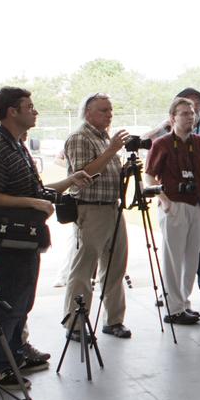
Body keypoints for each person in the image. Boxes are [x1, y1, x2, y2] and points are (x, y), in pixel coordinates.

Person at [0, 87, 93, 386]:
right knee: (10, 300)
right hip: (7, 239)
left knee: (23, 300)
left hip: (26, 238)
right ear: (12, 111)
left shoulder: (16, 146)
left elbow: (35, 192)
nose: (35, 111)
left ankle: (15, 351)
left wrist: (70, 180)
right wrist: (30, 203)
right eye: (29, 106)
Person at [62, 94, 132, 338]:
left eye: (110, 110)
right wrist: (112, 150)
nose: (109, 114)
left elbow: (107, 170)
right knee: (84, 269)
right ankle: (75, 324)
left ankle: (114, 320)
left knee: (115, 268)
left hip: (113, 208)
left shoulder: (104, 139)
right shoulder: (80, 137)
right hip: (90, 209)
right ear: (88, 112)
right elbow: (83, 175)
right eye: (103, 110)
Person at [146, 97, 200, 324]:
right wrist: (163, 199)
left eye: (192, 113)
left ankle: (183, 302)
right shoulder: (162, 144)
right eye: (184, 113)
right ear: (172, 118)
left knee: (192, 257)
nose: (190, 117)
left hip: (198, 203)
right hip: (174, 203)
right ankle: (172, 308)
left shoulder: (199, 142)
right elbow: (148, 176)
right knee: (173, 258)